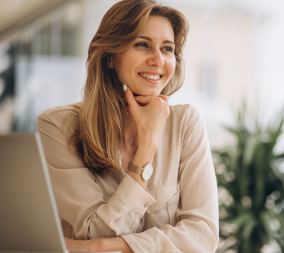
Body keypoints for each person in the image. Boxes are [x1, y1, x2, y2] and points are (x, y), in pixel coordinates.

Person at [37, 0, 219, 252]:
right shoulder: (58, 127)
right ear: (110, 56)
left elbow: (203, 237)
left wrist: (102, 246)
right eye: (143, 45)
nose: (158, 60)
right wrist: (146, 149)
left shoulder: (185, 123)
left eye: (167, 49)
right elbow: (91, 231)